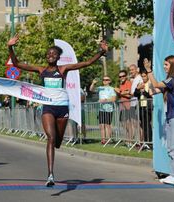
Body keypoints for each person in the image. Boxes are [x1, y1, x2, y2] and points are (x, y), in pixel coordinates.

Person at [7, 34, 108, 187]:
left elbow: (86, 63)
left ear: (58, 57)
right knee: (50, 138)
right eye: (48, 54)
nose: (50, 56)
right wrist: (10, 47)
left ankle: (56, 145)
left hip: (62, 108)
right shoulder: (41, 70)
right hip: (48, 107)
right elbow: (17, 64)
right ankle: (50, 175)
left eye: (54, 54)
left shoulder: (63, 69)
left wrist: (101, 52)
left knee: (58, 141)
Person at [144, 56, 174, 186]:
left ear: (173, 65)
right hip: (171, 118)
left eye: (166, 64)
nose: (164, 67)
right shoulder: (169, 82)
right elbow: (153, 90)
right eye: (164, 64)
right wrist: (146, 84)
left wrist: (149, 71)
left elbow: (157, 84)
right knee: (171, 148)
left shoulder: (173, 79)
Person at [90, 76, 116, 144]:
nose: (105, 81)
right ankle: (103, 140)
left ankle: (109, 139)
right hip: (101, 109)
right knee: (101, 125)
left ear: (109, 81)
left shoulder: (112, 89)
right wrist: (93, 83)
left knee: (108, 125)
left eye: (107, 80)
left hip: (109, 109)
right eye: (104, 79)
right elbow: (91, 90)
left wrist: (105, 100)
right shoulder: (100, 88)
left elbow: (113, 99)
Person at [114, 70, 132, 146]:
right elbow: (121, 95)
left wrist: (121, 92)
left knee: (129, 124)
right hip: (122, 107)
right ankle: (128, 140)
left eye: (123, 76)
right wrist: (118, 93)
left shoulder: (129, 83)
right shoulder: (120, 84)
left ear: (126, 76)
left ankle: (130, 141)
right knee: (123, 124)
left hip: (128, 106)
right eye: (120, 76)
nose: (122, 77)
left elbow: (130, 95)